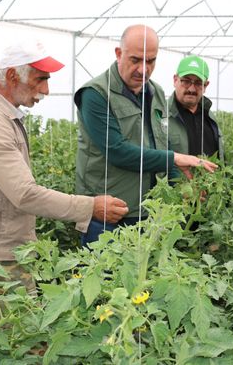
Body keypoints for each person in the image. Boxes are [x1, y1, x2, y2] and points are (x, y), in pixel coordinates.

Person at [0, 39, 129, 284]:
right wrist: (90, 207)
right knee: (13, 322)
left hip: (1, 249)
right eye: (39, 79)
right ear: (12, 76)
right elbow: (25, 194)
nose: (45, 90)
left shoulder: (1, 114)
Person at [75, 25, 217, 245]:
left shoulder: (156, 93)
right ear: (118, 54)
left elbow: (163, 145)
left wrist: (182, 187)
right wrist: (175, 158)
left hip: (151, 214)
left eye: (150, 61)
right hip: (109, 215)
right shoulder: (96, 94)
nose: (143, 69)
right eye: (135, 60)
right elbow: (117, 151)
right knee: (104, 276)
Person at [167, 55, 223, 159]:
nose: (192, 89)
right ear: (175, 80)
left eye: (198, 83)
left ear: (206, 85)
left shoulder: (210, 117)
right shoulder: (161, 115)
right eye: (186, 81)